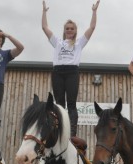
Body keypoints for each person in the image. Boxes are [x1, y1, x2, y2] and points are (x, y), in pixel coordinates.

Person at [42, 0, 100, 137]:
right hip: (58, 72)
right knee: (60, 103)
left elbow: (92, 28)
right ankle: (59, 130)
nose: (69, 30)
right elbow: (44, 27)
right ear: (64, 30)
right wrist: (44, 12)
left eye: (72, 28)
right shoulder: (57, 42)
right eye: (67, 28)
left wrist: (94, 12)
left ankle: (72, 132)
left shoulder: (79, 43)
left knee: (71, 103)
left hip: (72, 72)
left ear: (75, 31)